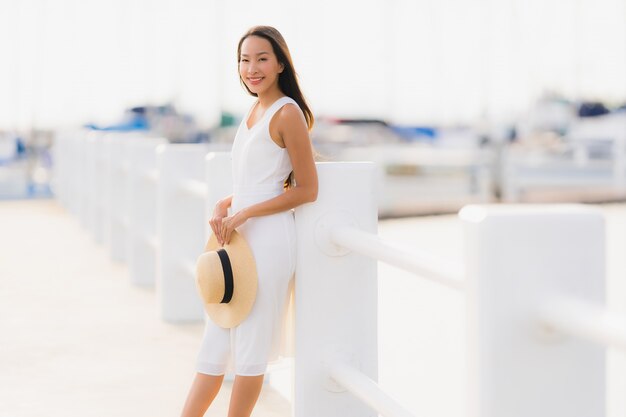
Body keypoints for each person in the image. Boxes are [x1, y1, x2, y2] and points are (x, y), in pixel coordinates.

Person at [180, 25, 318, 417]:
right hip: (238, 237)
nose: (251, 68)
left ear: (279, 64)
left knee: (251, 349)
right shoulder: (254, 111)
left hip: (270, 241)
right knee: (215, 340)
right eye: (245, 60)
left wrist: (245, 212)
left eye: (261, 59)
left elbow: (307, 189)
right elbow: (255, 180)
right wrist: (227, 203)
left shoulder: (286, 112)